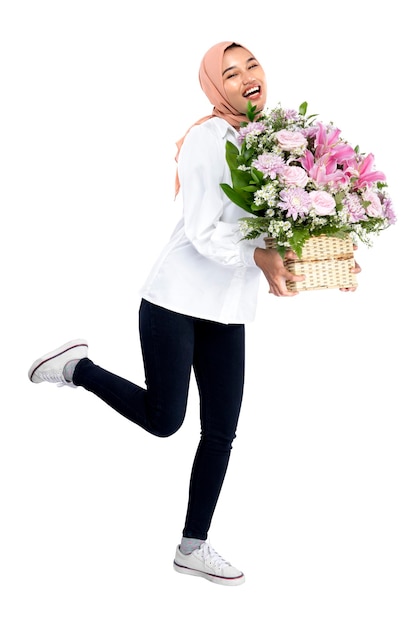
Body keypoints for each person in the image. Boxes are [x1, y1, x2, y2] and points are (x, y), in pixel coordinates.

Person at [28, 41, 361, 586]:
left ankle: (193, 546)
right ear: (213, 86)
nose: (246, 76)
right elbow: (205, 230)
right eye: (230, 73)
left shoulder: (279, 140)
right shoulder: (207, 141)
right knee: (165, 421)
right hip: (176, 299)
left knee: (221, 431)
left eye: (251, 64)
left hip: (229, 307)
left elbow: (279, 226)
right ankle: (77, 368)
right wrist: (261, 255)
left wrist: (314, 254)